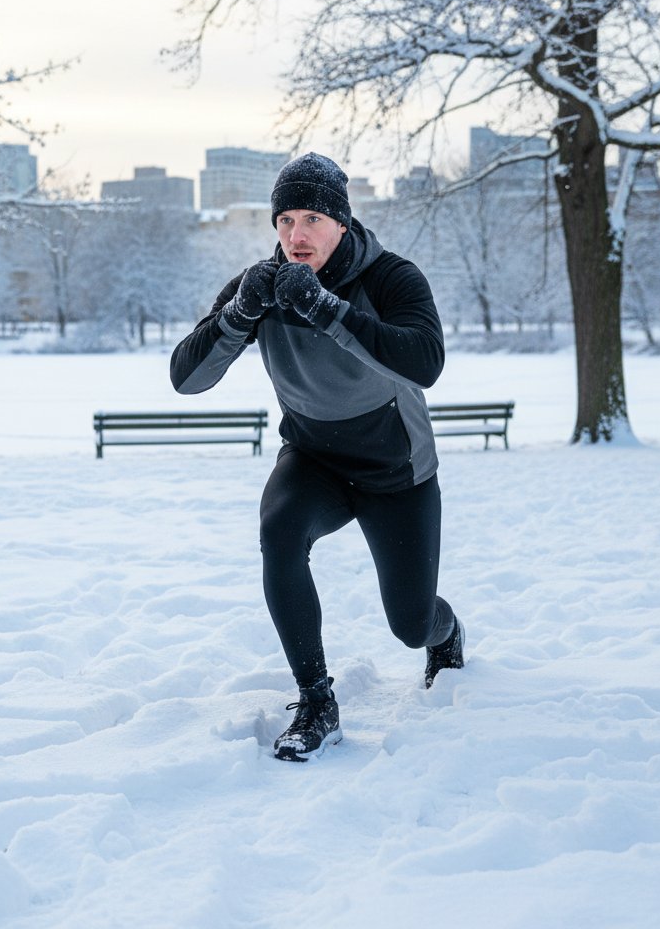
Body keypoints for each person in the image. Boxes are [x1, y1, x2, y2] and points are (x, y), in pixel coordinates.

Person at [170, 152, 465, 762]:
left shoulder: (392, 278)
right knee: (279, 531)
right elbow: (186, 379)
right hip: (314, 458)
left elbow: (425, 362)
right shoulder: (262, 285)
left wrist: (329, 311)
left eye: (311, 219)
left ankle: (447, 630)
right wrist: (236, 315)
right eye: (284, 221)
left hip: (396, 470)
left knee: (410, 625)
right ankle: (316, 701)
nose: (295, 236)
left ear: (341, 222)